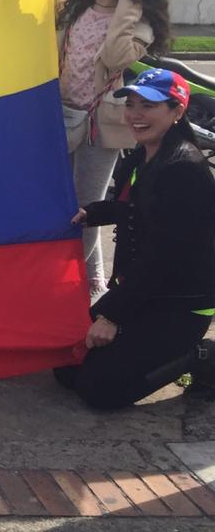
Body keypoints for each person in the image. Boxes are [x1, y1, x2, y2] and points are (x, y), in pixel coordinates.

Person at [57, 69, 215, 409]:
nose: (136, 115)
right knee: (65, 365)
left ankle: (198, 356)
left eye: (149, 105)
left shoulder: (183, 170)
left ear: (177, 111)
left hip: (180, 302)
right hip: (147, 291)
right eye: (131, 105)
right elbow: (133, 207)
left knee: (99, 391)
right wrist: (93, 213)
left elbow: (165, 257)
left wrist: (112, 315)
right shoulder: (143, 154)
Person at [57, 0, 171, 299]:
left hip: (98, 127)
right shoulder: (75, 9)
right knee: (61, 202)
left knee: (87, 210)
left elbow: (117, 54)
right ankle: (94, 283)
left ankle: (77, 285)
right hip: (59, 117)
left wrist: (126, 8)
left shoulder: (137, 23)